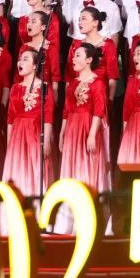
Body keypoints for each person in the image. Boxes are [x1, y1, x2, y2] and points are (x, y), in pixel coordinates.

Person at [54, 44, 108, 234]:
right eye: (74, 55)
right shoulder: (73, 83)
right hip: (72, 128)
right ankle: (67, 221)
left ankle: (86, 221)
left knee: (86, 169)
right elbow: (66, 110)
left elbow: (99, 110)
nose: (73, 59)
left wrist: (92, 134)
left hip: (87, 127)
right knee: (70, 169)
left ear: (89, 60)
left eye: (78, 55)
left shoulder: (97, 83)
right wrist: (62, 132)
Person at [3, 49, 54, 196]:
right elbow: (10, 118)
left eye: (25, 59)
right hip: (17, 135)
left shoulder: (44, 87)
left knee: (34, 167)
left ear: (35, 66)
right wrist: (9, 142)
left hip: (35, 133)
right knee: (16, 167)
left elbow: (48, 117)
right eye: (20, 59)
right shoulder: (15, 88)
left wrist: (47, 141)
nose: (20, 62)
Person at [67, 7, 119, 100]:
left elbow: (112, 76)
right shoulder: (76, 44)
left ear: (95, 22)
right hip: (78, 94)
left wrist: (110, 100)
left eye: (84, 19)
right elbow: (69, 75)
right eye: (79, 19)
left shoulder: (108, 44)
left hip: (99, 95)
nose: (79, 23)